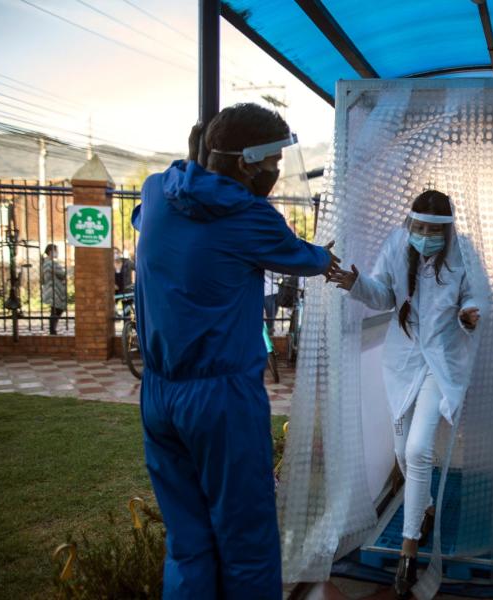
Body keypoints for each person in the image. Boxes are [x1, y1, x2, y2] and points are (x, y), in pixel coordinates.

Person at [132, 103, 341, 599]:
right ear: (249, 163)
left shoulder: (157, 192)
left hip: (159, 395)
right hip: (221, 399)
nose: (275, 173)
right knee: (245, 537)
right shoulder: (250, 216)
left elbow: (149, 216)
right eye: (273, 163)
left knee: (188, 539)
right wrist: (329, 253)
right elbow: (311, 259)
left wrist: (193, 165)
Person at [328, 190, 490, 598]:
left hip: (443, 359)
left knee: (418, 451)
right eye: (419, 228)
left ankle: (408, 550)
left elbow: (475, 295)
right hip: (401, 361)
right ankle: (427, 505)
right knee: (404, 453)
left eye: (434, 230)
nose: (425, 236)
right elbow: (383, 295)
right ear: (410, 224)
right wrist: (355, 283)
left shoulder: (463, 252)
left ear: (447, 229)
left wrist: (471, 313)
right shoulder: (397, 245)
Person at [40, 244, 67, 335]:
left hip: (52, 289)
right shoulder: (51, 263)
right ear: (51, 251)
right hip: (54, 289)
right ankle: (52, 330)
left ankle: (53, 329)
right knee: (56, 309)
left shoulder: (46, 263)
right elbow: (62, 274)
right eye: (56, 251)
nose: (57, 253)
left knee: (56, 309)